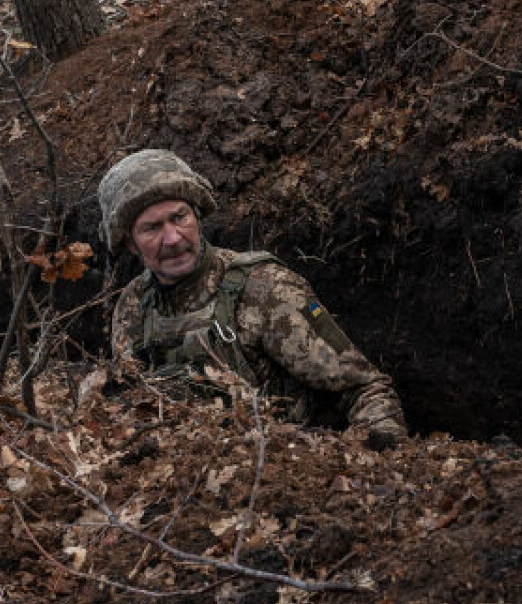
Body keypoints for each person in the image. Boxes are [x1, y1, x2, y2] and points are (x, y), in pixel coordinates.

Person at [99, 149, 407, 439]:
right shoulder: (133, 307)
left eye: (179, 218)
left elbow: (366, 390)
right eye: (151, 228)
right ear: (130, 243)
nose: (172, 238)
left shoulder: (264, 288)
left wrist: (376, 464)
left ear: (197, 217)